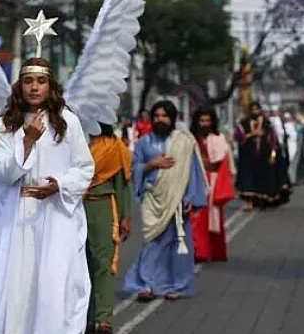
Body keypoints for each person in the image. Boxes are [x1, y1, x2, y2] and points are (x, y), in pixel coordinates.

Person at [0, 58, 95, 334]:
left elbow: (84, 167)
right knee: (18, 285)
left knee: (53, 287)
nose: (34, 87)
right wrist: (27, 140)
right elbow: (2, 173)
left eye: (41, 81)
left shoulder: (67, 122)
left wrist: (58, 184)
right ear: (19, 86)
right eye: (28, 81)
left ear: (51, 85)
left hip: (56, 216)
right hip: (17, 217)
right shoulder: (4, 126)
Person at [122, 100, 208, 302]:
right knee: (152, 244)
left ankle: (176, 285)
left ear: (172, 119)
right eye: (157, 116)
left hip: (178, 200)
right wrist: (152, 164)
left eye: (164, 116)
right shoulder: (145, 142)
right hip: (153, 200)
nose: (160, 119)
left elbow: (192, 171)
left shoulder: (184, 142)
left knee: (177, 245)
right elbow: (135, 168)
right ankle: (147, 285)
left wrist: (190, 197)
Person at [84, 123, 132, 334]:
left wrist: (125, 216)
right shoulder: (73, 142)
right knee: (79, 266)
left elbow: (122, 184)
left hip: (103, 205)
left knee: (103, 262)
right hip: (74, 208)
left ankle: (103, 317)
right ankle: (84, 317)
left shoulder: (114, 146)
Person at [189, 107, 235, 263]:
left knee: (212, 217)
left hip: (212, 180)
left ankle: (213, 251)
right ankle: (198, 250)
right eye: (202, 120)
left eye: (208, 120)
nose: (205, 123)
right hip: (194, 179)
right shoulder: (190, 138)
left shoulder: (218, 138)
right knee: (196, 217)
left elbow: (219, 162)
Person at [235, 102, 287, 210]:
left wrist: (273, 154)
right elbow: (238, 137)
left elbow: (273, 140)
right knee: (248, 179)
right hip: (248, 156)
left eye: (257, 110)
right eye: (253, 110)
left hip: (263, 155)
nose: (255, 112)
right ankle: (249, 202)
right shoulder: (243, 124)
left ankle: (262, 200)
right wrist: (252, 134)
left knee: (263, 177)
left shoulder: (267, 124)